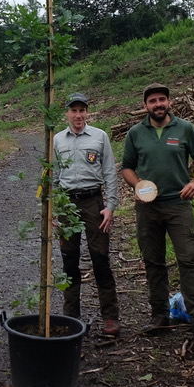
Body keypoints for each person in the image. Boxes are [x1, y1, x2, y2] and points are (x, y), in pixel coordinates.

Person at [120, 82, 194, 340]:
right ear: (145, 106)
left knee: (189, 259)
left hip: (178, 205)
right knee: (153, 261)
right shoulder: (136, 133)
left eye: (162, 99)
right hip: (148, 208)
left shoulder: (185, 129)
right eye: (152, 101)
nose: (158, 104)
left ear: (170, 102)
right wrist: (138, 185)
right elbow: (127, 167)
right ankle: (159, 316)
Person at [52, 92, 121, 336]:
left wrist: (110, 206)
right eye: (74, 110)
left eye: (82, 110)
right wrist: (51, 208)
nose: (78, 115)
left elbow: (110, 172)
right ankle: (71, 316)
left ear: (87, 113)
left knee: (100, 258)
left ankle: (110, 318)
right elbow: (52, 175)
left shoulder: (100, 137)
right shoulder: (57, 139)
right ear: (67, 114)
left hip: (94, 202)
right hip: (67, 204)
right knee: (69, 260)